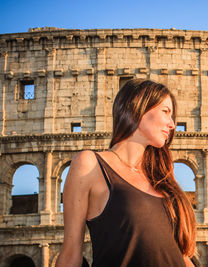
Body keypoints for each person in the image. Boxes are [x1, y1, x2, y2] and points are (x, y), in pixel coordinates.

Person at [56, 79, 197, 267]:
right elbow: (70, 254)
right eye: (166, 112)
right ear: (139, 107)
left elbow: (182, 256)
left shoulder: (161, 177)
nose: (172, 124)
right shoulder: (89, 164)